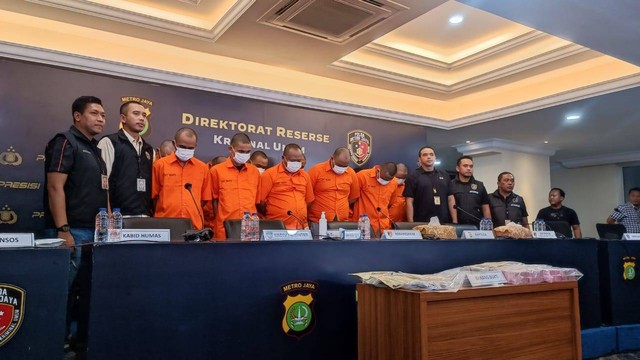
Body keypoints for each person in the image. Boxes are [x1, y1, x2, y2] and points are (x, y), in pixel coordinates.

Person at [43, 95, 109, 354]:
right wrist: (63, 230)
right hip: (71, 232)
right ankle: (54, 346)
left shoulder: (96, 149)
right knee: (64, 293)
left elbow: (103, 190)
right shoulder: (65, 141)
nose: (101, 118)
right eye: (94, 113)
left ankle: (78, 343)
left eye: (103, 114)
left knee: (87, 294)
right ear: (77, 116)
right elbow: (54, 187)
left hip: (94, 233)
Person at [97, 101, 154, 216]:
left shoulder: (148, 149)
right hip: (117, 216)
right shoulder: (109, 142)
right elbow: (102, 182)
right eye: (136, 114)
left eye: (144, 115)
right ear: (123, 118)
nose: (142, 118)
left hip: (145, 216)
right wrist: (108, 214)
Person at [152, 127, 211, 230]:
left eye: (190, 148)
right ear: (174, 144)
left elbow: (204, 199)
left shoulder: (203, 168)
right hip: (165, 225)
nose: (186, 150)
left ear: (195, 146)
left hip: (193, 226)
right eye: (183, 146)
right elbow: (153, 197)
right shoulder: (160, 165)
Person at [209, 133, 261, 240]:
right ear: (230, 149)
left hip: (249, 228)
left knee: (251, 256)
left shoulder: (254, 172)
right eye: (241, 151)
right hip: (224, 227)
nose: (244, 154)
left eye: (248, 152)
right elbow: (213, 201)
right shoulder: (216, 171)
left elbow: (256, 201)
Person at [257, 143, 314, 229]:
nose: (296, 163)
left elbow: (309, 201)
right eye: (293, 160)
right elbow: (260, 203)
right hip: (277, 228)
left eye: (299, 161)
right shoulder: (269, 174)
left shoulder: (305, 176)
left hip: (301, 227)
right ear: (283, 158)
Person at [403, 146, 456, 223]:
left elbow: (451, 199)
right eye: (425, 155)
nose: (429, 157)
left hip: (444, 221)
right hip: (421, 222)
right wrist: (411, 223)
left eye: (431, 154)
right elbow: (409, 202)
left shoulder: (445, 175)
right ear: (419, 159)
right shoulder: (413, 177)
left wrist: (455, 221)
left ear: (435, 157)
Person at [307, 147, 359, 223]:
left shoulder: (351, 173)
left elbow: (353, 197)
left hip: (342, 221)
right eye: (339, 165)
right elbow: (307, 196)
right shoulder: (316, 170)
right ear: (332, 158)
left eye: (345, 166)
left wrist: (340, 204)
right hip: (317, 221)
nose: (341, 168)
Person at [352, 162, 398, 235]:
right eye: (384, 178)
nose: (385, 181)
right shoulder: (362, 176)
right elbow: (352, 198)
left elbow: (390, 203)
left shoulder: (394, 182)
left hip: (383, 226)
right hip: (364, 225)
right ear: (379, 170)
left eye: (388, 180)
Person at [450, 156, 490, 227]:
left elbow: (485, 207)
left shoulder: (480, 185)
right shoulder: (451, 184)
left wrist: (488, 226)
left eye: (471, 166)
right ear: (458, 168)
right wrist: (454, 224)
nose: (469, 168)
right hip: (457, 226)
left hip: (477, 226)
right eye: (465, 166)